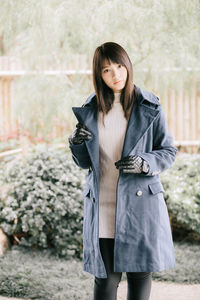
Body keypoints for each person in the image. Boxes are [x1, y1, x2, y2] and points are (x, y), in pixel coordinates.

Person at [68, 42, 178, 300]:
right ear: (99, 75)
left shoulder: (149, 105)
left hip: (140, 207)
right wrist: (75, 143)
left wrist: (144, 162)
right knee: (105, 283)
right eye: (106, 70)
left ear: (128, 65)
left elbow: (168, 151)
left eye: (119, 66)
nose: (115, 74)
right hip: (102, 207)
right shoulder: (91, 107)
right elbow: (85, 163)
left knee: (140, 278)